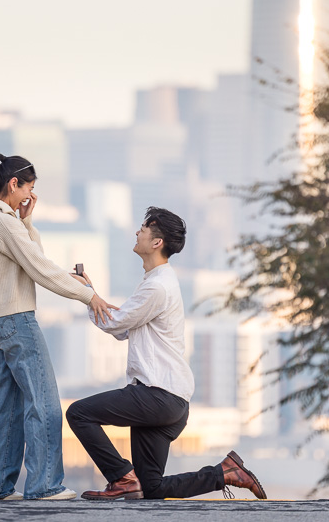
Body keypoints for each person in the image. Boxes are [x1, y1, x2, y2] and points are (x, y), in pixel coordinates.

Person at [67, 206, 267, 500]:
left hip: (157, 395)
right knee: (152, 488)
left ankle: (121, 478)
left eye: (143, 229)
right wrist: (92, 292)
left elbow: (116, 323)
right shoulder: (155, 283)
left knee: (78, 413)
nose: (137, 232)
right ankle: (225, 473)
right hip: (170, 401)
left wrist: (88, 295)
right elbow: (123, 329)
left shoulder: (158, 286)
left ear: (157, 242)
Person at [0, 153, 116, 501]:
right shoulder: (2, 221)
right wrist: (87, 295)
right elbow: (41, 268)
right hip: (17, 322)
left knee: (6, 408)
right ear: (13, 184)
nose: (28, 198)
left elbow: (31, 256)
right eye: (27, 190)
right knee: (44, 403)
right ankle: (45, 485)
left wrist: (27, 222)